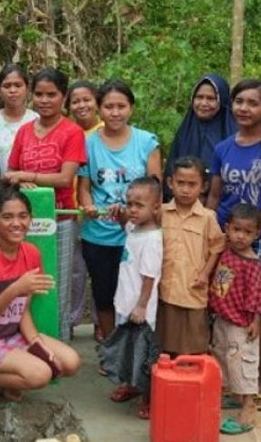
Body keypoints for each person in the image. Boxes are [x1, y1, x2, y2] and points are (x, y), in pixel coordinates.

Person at [0, 184, 81, 422]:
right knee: (40, 375)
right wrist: (14, 289)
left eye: (23, 216)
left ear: (30, 219)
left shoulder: (31, 253)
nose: (16, 223)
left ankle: (9, 379)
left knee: (69, 363)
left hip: (9, 336)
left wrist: (37, 344)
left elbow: (23, 312)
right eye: (7, 217)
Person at [207, 79, 261, 410]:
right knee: (222, 304)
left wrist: (253, 233)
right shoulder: (223, 148)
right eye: (239, 101)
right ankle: (231, 380)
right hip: (225, 238)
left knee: (254, 309)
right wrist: (214, 232)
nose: (244, 108)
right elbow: (216, 195)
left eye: (252, 103)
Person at [5, 68, 86, 342]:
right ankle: (23, 342)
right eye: (39, 94)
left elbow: (65, 179)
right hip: (22, 223)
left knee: (56, 285)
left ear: (63, 97)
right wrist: (19, 182)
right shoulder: (24, 131)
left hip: (59, 221)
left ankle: (58, 344)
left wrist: (29, 177)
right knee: (24, 282)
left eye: (52, 94)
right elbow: (10, 173)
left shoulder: (72, 132)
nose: (44, 100)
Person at [77, 79, 160, 343]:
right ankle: (111, 348)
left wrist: (133, 213)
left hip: (138, 235)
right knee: (104, 295)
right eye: (109, 106)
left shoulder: (147, 142)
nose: (115, 112)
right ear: (99, 110)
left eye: (121, 106)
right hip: (98, 234)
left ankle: (136, 349)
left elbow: (156, 189)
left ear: (131, 108)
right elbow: (84, 187)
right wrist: (88, 206)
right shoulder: (88, 143)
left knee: (137, 292)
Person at [98, 177, 163, 419]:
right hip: (125, 303)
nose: (132, 209)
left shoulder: (153, 239)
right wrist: (120, 216)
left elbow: (149, 277)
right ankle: (131, 385)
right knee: (128, 350)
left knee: (143, 355)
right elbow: (124, 224)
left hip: (140, 309)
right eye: (129, 203)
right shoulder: (135, 229)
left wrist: (142, 306)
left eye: (139, 205)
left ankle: (148, 397)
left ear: (156, 207)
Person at [156, 156, 225, 356]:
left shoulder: (207, 218)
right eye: (180, 183)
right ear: (170, 183)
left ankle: (192, 381)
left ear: (203, 186)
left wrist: (205, 274)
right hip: (165, 289)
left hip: (193, 289)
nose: (185, 189)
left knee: (194, 344)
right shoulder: (161, 212)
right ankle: (166, 382)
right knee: (164, 342)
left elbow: (217, 247)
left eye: (192, 184)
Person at [210, 203, 261, 435]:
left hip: (241, 324)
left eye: (247, 232)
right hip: (222, 318)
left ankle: (249, 407)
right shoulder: (226, 251)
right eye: (236, 230)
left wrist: (255, 321)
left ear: (256, 234)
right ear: (227, 228)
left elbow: (257, 295)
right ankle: (234, 395)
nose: (240, 236)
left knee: (242, 363)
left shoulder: (252, 264)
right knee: (222, 357)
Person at [66, 80, 103, 340]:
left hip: (99, 211)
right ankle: (70, 319)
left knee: (100, 269)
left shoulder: (105, 131)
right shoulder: (67, 132)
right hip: (70, 209)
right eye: (76, 101)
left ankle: (103, 320)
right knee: (74, 269)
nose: (82, 105)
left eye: (87, 99)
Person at [164, 74, 236, 201]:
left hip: (224, 206)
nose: (204, 103)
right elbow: (172, 168)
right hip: (184, 205)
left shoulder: (233, 133)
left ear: (222, 100)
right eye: (199, 97)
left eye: (211, 98)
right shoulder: (185, 131)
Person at [0, 64, 39, 174]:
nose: (12, 90)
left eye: (18, 85)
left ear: (27, 89)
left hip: (31, 189)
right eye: (7, 86)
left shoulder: (38, 121)